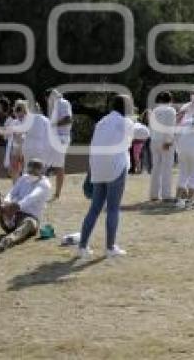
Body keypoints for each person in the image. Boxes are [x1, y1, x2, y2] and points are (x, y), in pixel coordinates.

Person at [78, 95, 134, 260]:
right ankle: (110, 247)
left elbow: (94, 145)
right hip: (116, 165)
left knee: (94, 208)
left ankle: (82, 246)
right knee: (113, 208)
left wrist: (91, 171)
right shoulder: (126, 122)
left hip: (98, 167)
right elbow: (129, 143)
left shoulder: (102, 122)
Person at [0, 158, 51, 253]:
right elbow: (12, 193)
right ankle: (6, 220)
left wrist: (15, 207)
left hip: (28, 217)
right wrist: (6, 203)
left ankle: (8, 240)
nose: (31, 174)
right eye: (30, 170)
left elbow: (31, 198)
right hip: (9, 214)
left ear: (42, 171)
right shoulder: (24, 178)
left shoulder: (44, 184)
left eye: (35, 171)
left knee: (30, 222)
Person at [149, 91, 177, 202]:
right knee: (167, 168)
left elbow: (151, 127)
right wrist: (168, 141)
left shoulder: (154, 110)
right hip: (165, 141)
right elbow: (170, 127)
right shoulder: (171, 110)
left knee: (156, 167)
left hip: (154, 140)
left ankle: (154, 194)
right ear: (170, 100)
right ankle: (166, 195)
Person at [47, 89, 73, 199]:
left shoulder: (62, 103)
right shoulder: (55, 104)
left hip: (61, 137)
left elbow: (68, 119)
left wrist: (52, 124)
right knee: (48, 164)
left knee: (59, 165)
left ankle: (57, 193)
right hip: (55, 137)